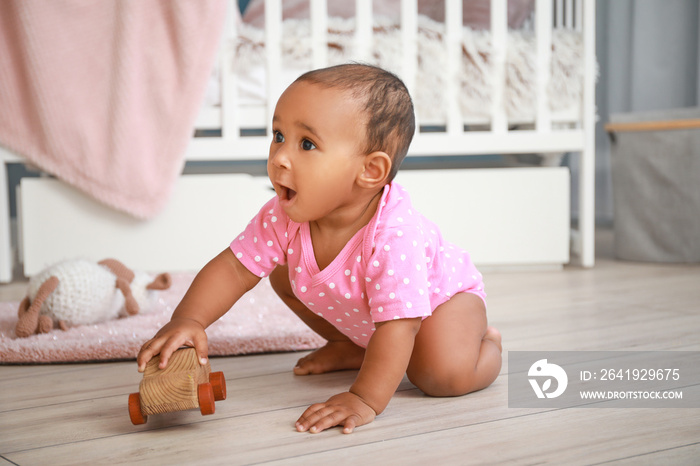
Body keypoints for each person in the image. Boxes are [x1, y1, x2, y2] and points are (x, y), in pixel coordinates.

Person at [137, 63, 502, 434]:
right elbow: (233, 268)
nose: (279, 156)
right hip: (376, 320)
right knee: (283, 273)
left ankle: (485, 347)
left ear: (371, 171)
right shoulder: (284, 215)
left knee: (439, 375)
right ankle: (350, 345)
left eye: (306, 144)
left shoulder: (394, 234)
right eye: (278, 135)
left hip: (440, 305)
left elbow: (399, 326)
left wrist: (364, 398)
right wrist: (189, 320)